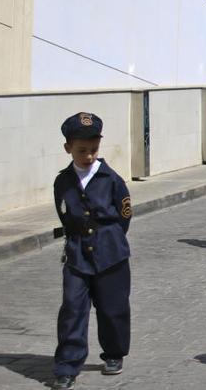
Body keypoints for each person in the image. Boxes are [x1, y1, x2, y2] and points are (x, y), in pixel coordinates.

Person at [52, 113, 133, 390]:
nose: (88, 156)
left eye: (93, 150)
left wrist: (107, 238)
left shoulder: (111, 179)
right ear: (68, 149)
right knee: (72, 309)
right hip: (77, 255)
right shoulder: (62, 181)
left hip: (111, 252)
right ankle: (67, 365)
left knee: (113, 308)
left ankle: (114, 353)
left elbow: (124, 216)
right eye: (81, 150)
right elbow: (64, 214)